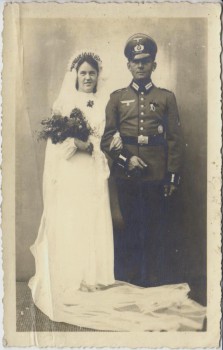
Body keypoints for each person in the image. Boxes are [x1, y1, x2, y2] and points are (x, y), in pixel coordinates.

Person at [28, 49, 205, 332]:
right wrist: (76, 143)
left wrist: (98, 148)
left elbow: (109, 137)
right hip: (71, 173)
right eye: (83, 73)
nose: (88, 77)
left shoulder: (107, 102)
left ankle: (94, 277)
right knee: (71, 223)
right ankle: (71, 277)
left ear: (99, 75)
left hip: (94, 174)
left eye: (92, 73)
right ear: (75, 75)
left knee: (93, 223)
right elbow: (56, 147)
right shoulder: (64, 102)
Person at [101, 34, 184, 287]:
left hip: (156, 175)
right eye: (135, 61)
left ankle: (154, 280)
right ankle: (132, 280)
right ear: (128, 65)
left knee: (156, 228)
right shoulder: (117, 98)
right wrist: (127, 160)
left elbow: (175, 140)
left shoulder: (166, 98)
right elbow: (106, 140)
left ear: (153, 65)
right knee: (130, 228)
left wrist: (171, 177)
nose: (140, 66)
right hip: (127, 175)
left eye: (145, 61)